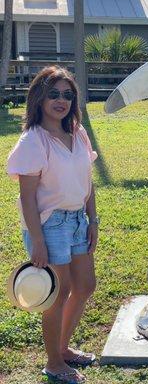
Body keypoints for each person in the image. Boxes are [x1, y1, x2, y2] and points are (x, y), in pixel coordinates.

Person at [7, 65, 99, 384]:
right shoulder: (34, 140)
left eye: (67, 94)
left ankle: (63, 348)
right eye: (54, 94)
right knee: (57, 294)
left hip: (77, 219)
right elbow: (28, 199)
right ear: (40, 98)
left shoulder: (78, 132)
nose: (61, 100)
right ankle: (54, 363)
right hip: (49, 223)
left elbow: (88, 180)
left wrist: (93, 219)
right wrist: (38, 240)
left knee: (85, 285)